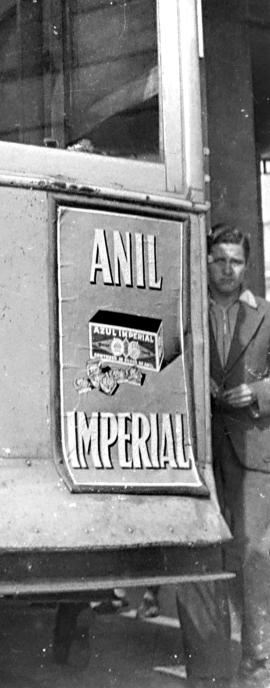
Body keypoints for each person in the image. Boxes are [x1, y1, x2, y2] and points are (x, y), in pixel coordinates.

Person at [181, 224, 270, 685]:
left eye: (236, 261)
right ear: (207, 260)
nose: (227, 270)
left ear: (247, 266)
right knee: (198, 556)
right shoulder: (187, 309)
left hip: (252, 453)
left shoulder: (266, 314)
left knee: (255, 555)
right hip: (196, 450)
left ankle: (257, 665)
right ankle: (206, 671)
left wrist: (257, 393)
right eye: (219, 260)